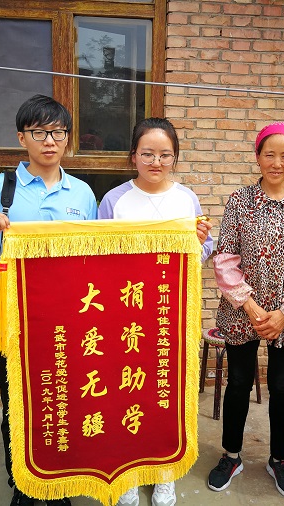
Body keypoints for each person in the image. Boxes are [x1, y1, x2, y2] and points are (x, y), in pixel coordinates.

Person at [0, 94, 97, 506]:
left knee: (65, 402)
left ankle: (59, 479)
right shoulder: (1, 189)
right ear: (22, 138)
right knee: (18, 406)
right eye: (39, 133)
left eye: (58, 132)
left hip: (69, 321)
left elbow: (95, 256)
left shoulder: (82, 193)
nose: (49, 141)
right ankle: (24, 484)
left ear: (67, 138)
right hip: (15, 322)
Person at [98, 117, 214, 506]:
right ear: (133, 156)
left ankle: (164, 473)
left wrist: (199, 242)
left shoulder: (187, 198)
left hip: (170, 316)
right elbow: (99, 257)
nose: (156, 162)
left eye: (165, 154)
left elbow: (201, 254)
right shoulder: (114, 200)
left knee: (166, 394)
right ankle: (129, 473)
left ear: (175, 158)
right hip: (126, 315)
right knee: (126, 392)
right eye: (148, 153)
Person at [207, 122, 284, 499]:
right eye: (269, 154)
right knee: (239, 382)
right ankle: (231, 455)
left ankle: (279, 460)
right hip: (242, 312)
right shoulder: (239, 200)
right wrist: (252, 306)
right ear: (257, 156)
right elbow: (225, 258)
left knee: (282, 386)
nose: (276, 162)